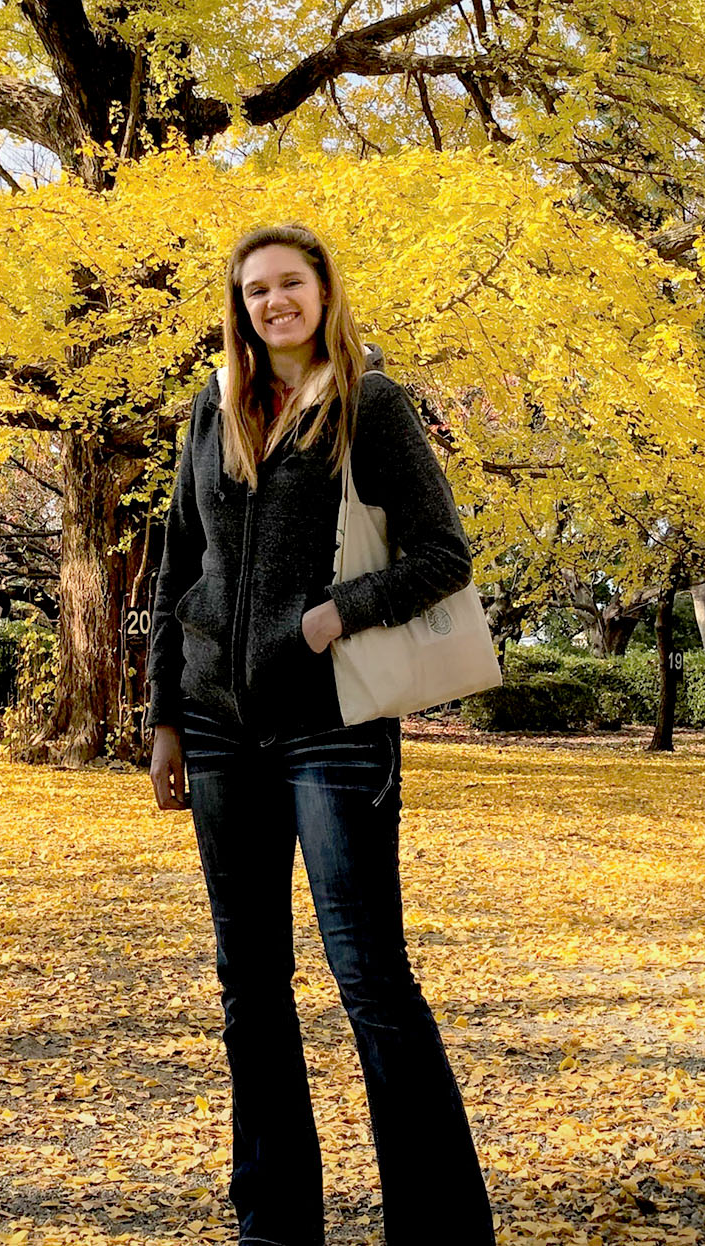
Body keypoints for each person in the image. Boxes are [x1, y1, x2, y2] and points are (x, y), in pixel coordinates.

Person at [145, 223, 495, 1245]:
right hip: (219, 730)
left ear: (324, 291)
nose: (273, 302)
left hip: (332, 725)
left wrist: (327, 617)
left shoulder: (367, 404)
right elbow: (177, 567)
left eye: (289, 283)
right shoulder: (212, 410)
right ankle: (274, 1220)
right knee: (249, 983)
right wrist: (164, 715)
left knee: (369, 975)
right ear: (239, 306)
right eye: (255, 289)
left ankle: (439, 1228)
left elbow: (443, 555)